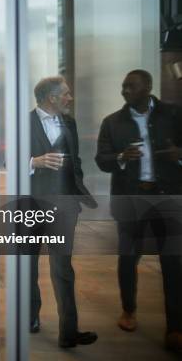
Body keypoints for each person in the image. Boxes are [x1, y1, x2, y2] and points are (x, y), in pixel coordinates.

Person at [95, 69, 182, 353]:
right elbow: (102, 159)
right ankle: (128, 310)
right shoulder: (112, 122)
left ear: (147, 88)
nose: (124, 91)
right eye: (123, 87)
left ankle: (175, 327)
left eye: (130, 86)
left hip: (167, 198)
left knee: (173, 263)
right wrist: (121, 157)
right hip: (131, 200)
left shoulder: (173, 114)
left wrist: (178, 154)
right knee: (128, 257)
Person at [28, 76, 98, 349]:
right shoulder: (24, 122)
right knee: (28, 265)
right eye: (66, 94)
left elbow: (76, 160)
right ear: (51, 97)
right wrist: (35, 161)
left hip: (64, 206)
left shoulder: (70, 123)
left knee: (63, 268)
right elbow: (5, 161)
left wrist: (75, 192)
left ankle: (69, 332)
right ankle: (30, 316)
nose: (70, 98)